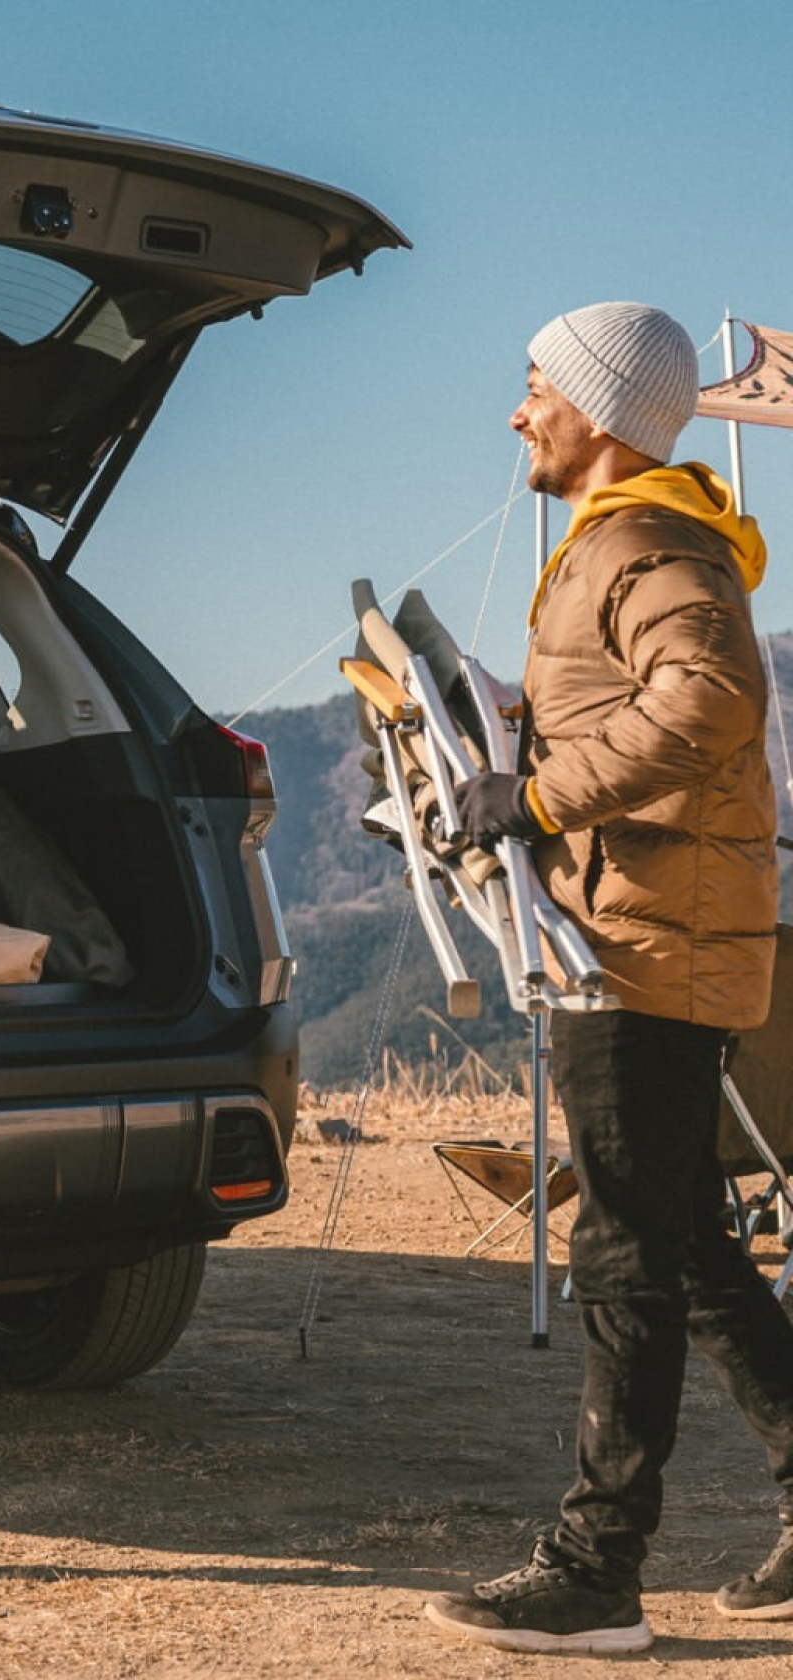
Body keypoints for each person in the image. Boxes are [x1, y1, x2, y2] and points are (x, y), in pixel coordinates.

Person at [428, 302, 793, 1654]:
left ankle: (596, 1573)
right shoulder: (623, 544)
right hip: (645, 924)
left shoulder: (647, 542)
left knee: (626, 1249)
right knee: (684, 1235)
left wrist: (530, 797)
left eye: (534, 385)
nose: (519, 409)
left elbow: (705, 704)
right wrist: (499, 749)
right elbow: (634, 701)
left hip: (645, 939)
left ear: (598, 410)